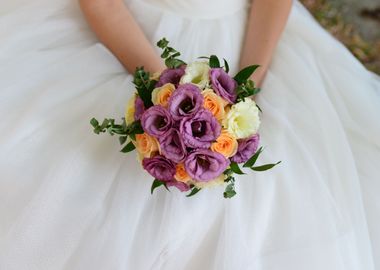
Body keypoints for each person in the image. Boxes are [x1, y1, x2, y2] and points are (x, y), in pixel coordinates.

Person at [0, 0, 379, 269]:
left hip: (248, 40)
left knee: (289, 197)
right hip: (132, 37)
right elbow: (103, 4)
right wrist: (167, 97)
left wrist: (243, 94)